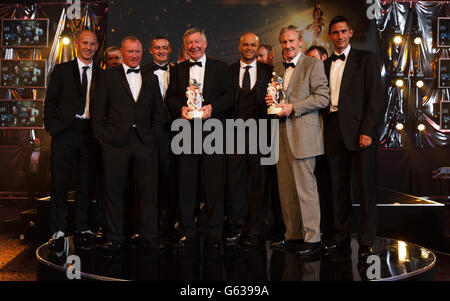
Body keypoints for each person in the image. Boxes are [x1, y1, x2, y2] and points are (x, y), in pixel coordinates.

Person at [91, 36, 169, 252]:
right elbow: (98, 112)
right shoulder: (107, 77)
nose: (134, 56)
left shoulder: (151, 77)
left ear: (142, 52)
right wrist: (103, 137)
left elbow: (159, 112)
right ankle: (114, 237)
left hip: (145, 142)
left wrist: (153, 135)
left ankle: (150, 236)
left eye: (137, 52)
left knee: (148, 191)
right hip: (115, 142)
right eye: (130, 52)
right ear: (122, 53)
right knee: (113, 191)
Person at [165, 28, 234, 249]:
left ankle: (214, 231)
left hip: (213, 130)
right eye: (189, 43)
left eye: (197, 42)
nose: (193, 46)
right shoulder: (177, 70)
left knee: (214, 183)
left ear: (205, 44)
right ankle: (188, 230)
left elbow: (230, 96)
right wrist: (181, 109)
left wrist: (213, 108)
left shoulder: (220, 68)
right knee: (186, 183)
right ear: (185, 46)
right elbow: (170, 98)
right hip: (186, 132)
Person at [265, 25, 329, 256]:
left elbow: (323, 97)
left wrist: (294, 107)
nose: (288, 45)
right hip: (281, 134)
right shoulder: (278, 69)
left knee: (305, 189)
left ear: (300, 41)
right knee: (286, 190)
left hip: (304, 135)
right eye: (284, 42)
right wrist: (271, 100)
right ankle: (292, 235)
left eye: (292, 41)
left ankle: (313, 238)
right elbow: (278, 99)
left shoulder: (313, 64)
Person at [323, 16, 382, 260]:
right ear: (330, 36)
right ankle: (341, 238)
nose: (339, 36)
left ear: (351, 32)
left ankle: (367, 239)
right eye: (335, 32)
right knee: (338, 189)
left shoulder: (366, 59)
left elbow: (376, 99)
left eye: (343, 31)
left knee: (365, 188)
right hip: (333, 129)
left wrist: (368, 130)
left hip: (360, 132)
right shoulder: (325, 65)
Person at [43, 30, 100, 253]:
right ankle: (58, 229)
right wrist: (53, 128)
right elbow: (50, 102)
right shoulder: (62, 70)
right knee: (60, 182)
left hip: (90, 133)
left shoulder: (103, 74)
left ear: (97, 47)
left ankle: (83, 227)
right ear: (78, 44)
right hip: (64, 132)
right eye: (85, 43)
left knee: (86, 183)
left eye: (92, 44)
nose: (88, 47)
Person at [225, 32, 273, 247]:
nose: (249, 48)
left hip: (261, 133)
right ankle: (237, 225)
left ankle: (255, 228)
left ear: (257, 46)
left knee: (259, 183)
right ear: (239, 46)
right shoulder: (229, 71)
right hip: (233, 134)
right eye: (245, 44)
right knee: (236, 183)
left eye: (253, 45)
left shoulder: (269, 72)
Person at [143, 36, 178, 240]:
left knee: (172, 178)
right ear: (151, 50)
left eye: (165, 47)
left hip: (176, 130)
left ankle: (169, 222)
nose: (161, 51)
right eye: (157, 48)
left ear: (170, 49)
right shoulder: (143, 72)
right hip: (152, 132)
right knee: (151, 178)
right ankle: (151, 223)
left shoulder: (179, 71)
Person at [305, 45, 336, 251]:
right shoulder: (308, 77)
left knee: (329, 188)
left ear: (323, 58)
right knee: (314, 188)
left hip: (330, 139)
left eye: (314, 59)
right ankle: (318, 231)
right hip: (310, 140)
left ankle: (331, 233)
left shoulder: (329, 75)